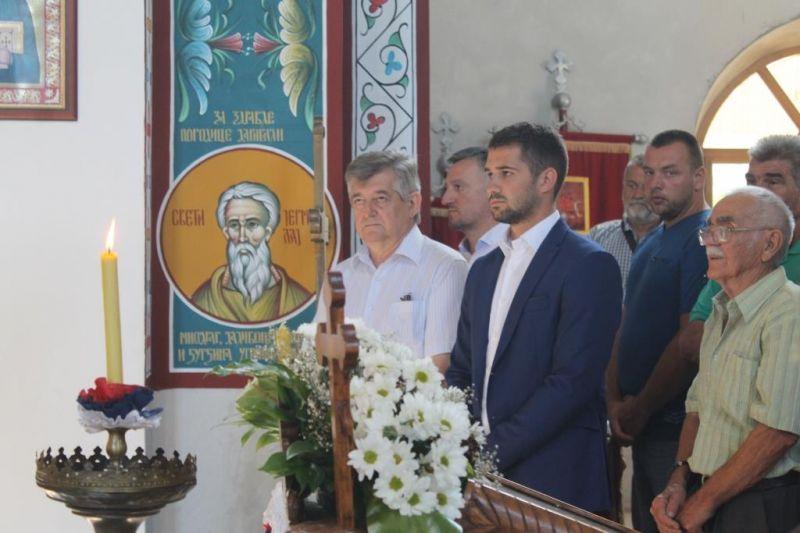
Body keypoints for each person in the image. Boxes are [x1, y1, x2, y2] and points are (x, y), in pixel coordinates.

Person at [446, 122, 622, 513]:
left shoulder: (588, 264)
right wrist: (458, 442)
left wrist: (491, 452)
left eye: (506, 174)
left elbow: (572, 382)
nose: (493, 186)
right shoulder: (484, 268)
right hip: (480, 477)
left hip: (554, 475)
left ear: (546, 179)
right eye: (490, 174)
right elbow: (462, 368)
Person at [651, 187, 800, 533]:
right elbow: (697, 409)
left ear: (770, 244)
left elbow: (778, 433)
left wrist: (701, 504)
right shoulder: (720, 311)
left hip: (762, 502)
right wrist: (679, 480)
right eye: (708, 230)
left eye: (726, 230)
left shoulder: (789, 312)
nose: (709, 242)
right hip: (712, 494)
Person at [606, 130, 710, 533]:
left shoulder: (703, 237)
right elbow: (626, 324)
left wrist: (640, 408)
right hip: (641, 420)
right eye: (649, 172)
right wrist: (614, 400)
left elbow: (688, 346)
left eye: (670, 172)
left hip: (674, 426)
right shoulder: (653, 239)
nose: (655, 184)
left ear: (698, 177)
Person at [323, 151, 467, 373]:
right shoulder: (340, 275)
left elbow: (441, 368)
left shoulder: (445, 267)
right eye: (358, 201)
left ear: (413, 203)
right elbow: (319, 357)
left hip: (412, 396)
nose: (367, 212)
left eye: (380, 199)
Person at [680, 134, 800, 363]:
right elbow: (691, 341)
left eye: (773, 182)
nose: (758, 193)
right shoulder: (736, 250)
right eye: (752, 181)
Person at [192, 181, 311, 322]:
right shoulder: (203, 300)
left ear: (267, 233)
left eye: (252, 224)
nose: (242, 237)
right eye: (234, 225)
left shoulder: (297, 298)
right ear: (226, 233)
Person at [589, 155, 660, 294]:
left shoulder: (676, 240)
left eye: (645, 187)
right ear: (622, 189)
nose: (638, 195)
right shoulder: (597, 237)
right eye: (631, 186)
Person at [441, 146, 507, 266]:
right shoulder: (451, 260)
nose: (445, 200)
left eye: (458, 187)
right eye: (446, 188)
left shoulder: (517, 255)